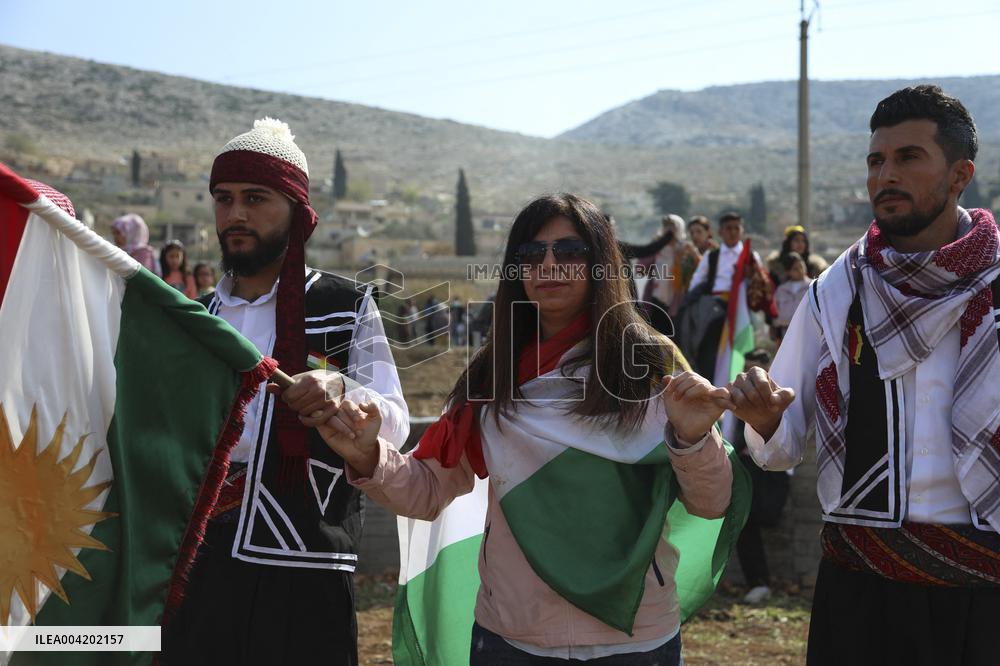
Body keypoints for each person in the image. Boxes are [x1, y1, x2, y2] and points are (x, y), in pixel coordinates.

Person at [320, 194, 746, 665]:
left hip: (636, 640)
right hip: (511, 638)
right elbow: (427, 489)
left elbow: (710, 503)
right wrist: (368, 455)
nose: (548, 264)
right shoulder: (492, 376)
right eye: (531, 253)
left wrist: (692, 439)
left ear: (601, 264)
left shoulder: (650, 363)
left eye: (569, 251)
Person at [729, 86, 1000, 666]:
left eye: (908, 157)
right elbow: (780, 446)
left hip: (986, 596)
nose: (886, 175)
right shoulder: (836, 291)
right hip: (861, 593)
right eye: (876, 160)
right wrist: (765, 419)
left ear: (961, 175)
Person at [162, 117, 410, 666]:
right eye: (224, 199)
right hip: (198, 567)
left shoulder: (345, 306)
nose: (236, 214)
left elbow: (395, 424)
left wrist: (341, 388)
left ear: (296, 210)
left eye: (256, 198)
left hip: (304, 569)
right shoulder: (194, 318)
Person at [730, 349, 790, 605]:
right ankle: (758, 582)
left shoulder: (777, 397)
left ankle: (764, 581)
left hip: (771, 470)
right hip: (744, 466)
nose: (749, 376)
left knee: (763, 517)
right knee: (746, 521)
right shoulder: (735, 399)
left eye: (755, 370)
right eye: (746, 369)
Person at [680, 212, 769, 379]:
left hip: (741, 311)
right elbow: (697, 281)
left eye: (736, 228)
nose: (733, 232)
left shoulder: (750, 256)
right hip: (714, 309)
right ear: (720, 231)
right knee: (709, 351)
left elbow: (761, 285)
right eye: (728, 228)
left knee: (741, 352)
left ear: (742, 230)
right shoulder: (712, 255)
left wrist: (750, 276)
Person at [639, 214, 688, 335]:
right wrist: (653, 247)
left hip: (676, 298)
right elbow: (640, 269)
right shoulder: (657, 247)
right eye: (666, 226)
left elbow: (687, 274)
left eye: (673, 226)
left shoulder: (685, 249)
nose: (669, 229)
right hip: (655, 297)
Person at [771, 252, 812, 343]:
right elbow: (776, 311)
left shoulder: (813, 286)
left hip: (808, 332)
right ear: (788, 272)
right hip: (787, 333)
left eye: (801, 266)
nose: (800, 270)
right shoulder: (782, 290)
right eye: (795, 269)